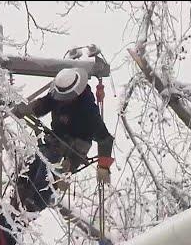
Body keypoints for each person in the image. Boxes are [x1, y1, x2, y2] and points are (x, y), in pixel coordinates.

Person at [11, 68, 114, 212]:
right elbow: (43, 105)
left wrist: (103, 167)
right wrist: (24, 110)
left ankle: (33, 206)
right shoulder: (57, 96)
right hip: (55, 140)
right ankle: (17, 199)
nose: (62, 101)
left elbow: (105, 138)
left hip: (75, 148)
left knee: (47, 168)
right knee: (29, 165)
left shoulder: (88, 110)